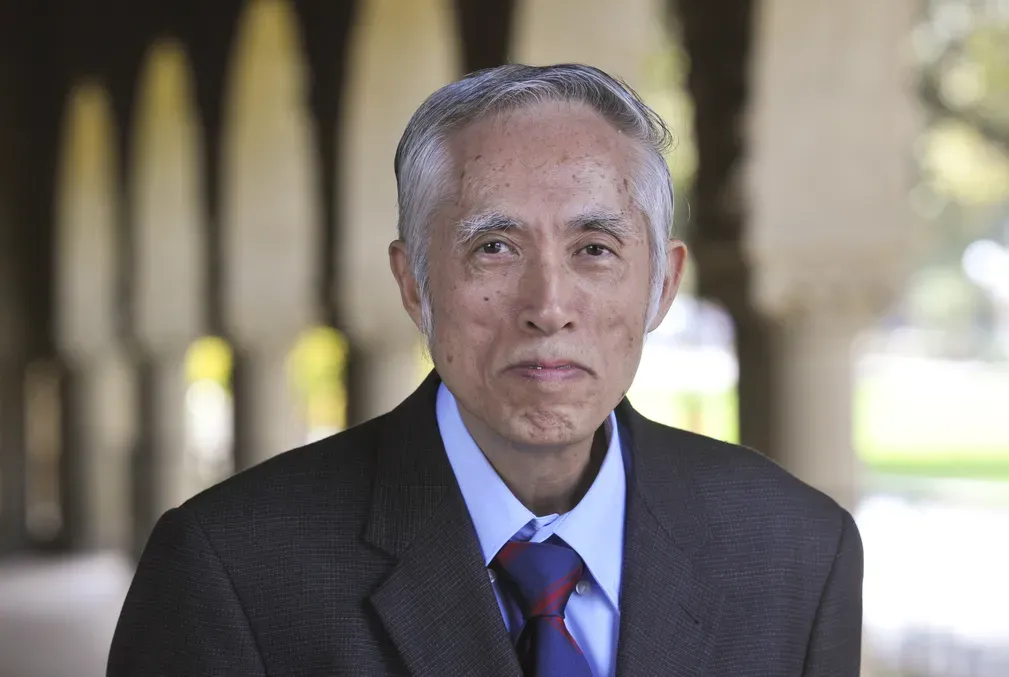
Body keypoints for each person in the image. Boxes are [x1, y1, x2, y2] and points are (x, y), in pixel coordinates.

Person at [107, 63, 863, 677]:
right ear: (413, 284)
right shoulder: (232, 568)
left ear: (662, 285)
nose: (548, 305)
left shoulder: (797, 551)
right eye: (493, 247)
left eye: (594, 248)